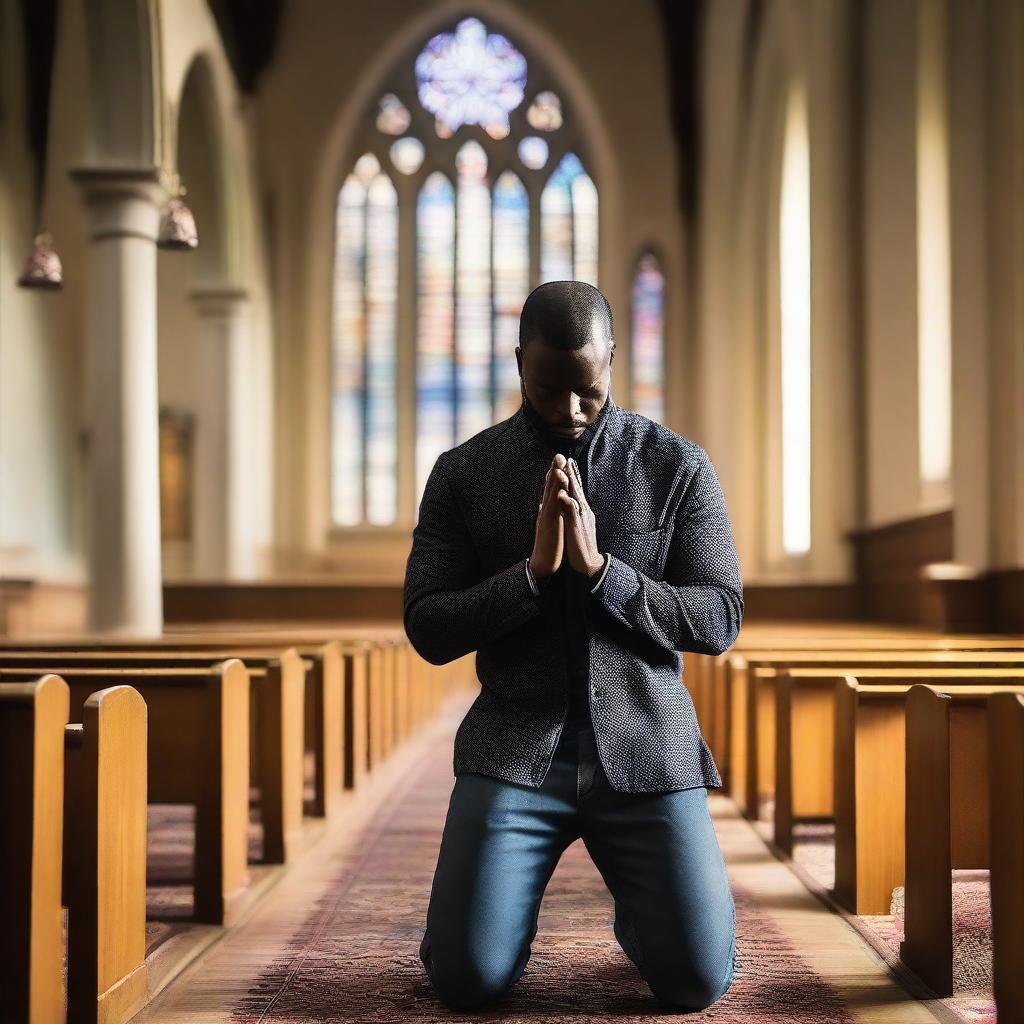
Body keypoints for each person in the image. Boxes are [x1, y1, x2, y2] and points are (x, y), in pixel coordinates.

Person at [403, 280, 743, 1012]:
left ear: (614, 359)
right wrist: (529, 578)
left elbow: (719, 618)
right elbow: (427, 626)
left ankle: (648, 916)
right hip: (516, 748)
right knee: (467, 980)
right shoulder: (463, 473)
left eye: (586, 390)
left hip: (648, 746)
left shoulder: (677, 465)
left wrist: (602, 575)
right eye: (548, 388)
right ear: (519, 360)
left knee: (693, 982)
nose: (569, 411)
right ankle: (488, 923)